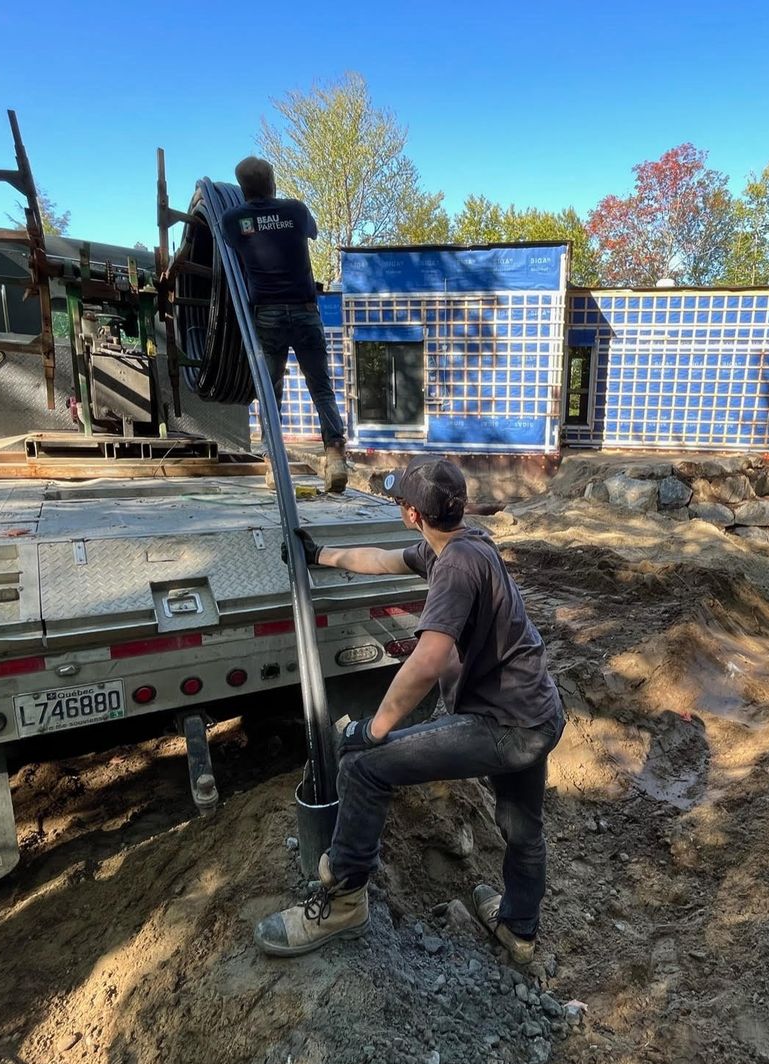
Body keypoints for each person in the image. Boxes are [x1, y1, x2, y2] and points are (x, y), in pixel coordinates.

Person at [254, 455, 565, 963]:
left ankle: (343, 905)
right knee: (523, 828)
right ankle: (519, 930)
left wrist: (375, 728)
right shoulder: (462, 544)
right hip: (537, 710)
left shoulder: (456, 567)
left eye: (400, 500)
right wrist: (320, 554)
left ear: (413, 514)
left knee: (365, 765)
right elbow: (381, 560)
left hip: (508, 726)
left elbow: (427, 660)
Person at [219, 156, 348, 492]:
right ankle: (335, 456)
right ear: (272, 182)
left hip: (267, 316)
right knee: (321, 387)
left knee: (269, 391)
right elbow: (312, 233)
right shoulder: (295, 211)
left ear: (243, 189)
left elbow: (228, 244)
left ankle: (275, 465)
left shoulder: (234, 219)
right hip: (305, 312)